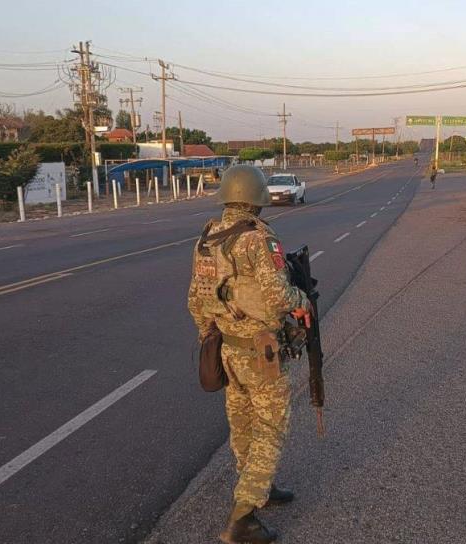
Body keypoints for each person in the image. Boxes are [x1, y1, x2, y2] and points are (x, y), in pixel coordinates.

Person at [187, 164, 310, 544]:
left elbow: (196, 300)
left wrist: (211, 337)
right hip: (262, 353)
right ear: (257, 199)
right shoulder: (259, 239)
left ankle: (259, 485)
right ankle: (243, 517)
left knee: (242, 425)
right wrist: (302, 299)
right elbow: (278, 297)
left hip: (226, 349)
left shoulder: (208, 237)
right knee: (271, 427)